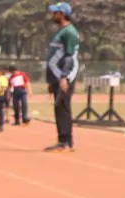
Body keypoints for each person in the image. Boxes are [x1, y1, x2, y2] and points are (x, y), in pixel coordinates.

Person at [45, 1, 80, 152]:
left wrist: (64, 77)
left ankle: (65, 141)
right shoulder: (61, 31)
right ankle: (64, 140)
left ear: (63, 14)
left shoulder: (69, 32)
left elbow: (69, 57)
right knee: (59, 107)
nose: (53, 15)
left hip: (64, 76)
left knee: (63, 107)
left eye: (56, 12)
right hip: (56, 76)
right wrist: (51, 79)